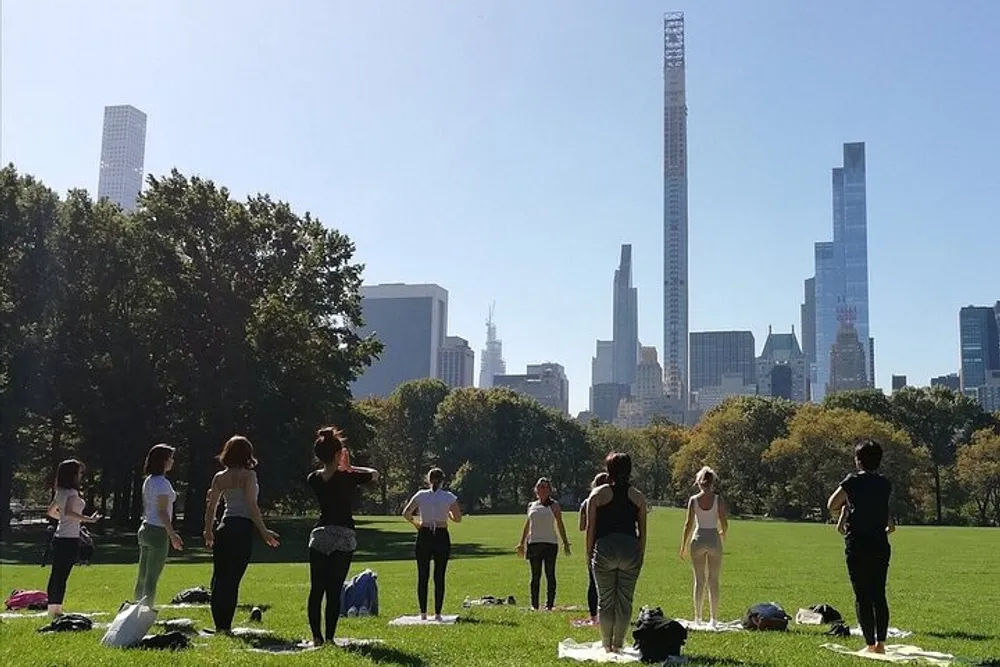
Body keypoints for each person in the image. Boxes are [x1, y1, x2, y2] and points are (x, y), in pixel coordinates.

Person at [306, 426, 379, 646]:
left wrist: (340, 464)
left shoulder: (314, 478)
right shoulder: (348, 478)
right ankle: (330, 638)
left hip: (319, 535)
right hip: (343, 536)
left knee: (316, 589)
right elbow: (374, 474)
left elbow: (325, 473)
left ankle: (316, 637)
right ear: (339, 455)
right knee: (334, 588)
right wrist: (350, 466)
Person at [203, 436, 280, 633]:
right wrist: (263, 531)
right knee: (233, 579)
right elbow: (252, 505)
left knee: (219, 578)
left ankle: (220, 624)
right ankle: (226, 626)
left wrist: (209, 531)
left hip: (224, 526)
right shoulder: (249, 476)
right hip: (241, 528)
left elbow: (211, 507)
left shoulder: (219, 477)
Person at [827, 440, 895, 655]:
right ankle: (882, 643)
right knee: (879, 594)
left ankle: (869, 644)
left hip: (857, 542)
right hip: (879, 542)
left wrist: (847, 508)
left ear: (858, 460)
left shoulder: (853, 480)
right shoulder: (884, 483)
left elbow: (832, 504)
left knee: (862, 595)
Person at [586, 453, 648, 654]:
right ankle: (619, 643)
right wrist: (641, 555)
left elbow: (591, 529)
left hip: (604, 548)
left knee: (605, 601)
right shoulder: (638, 497)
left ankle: (606, 645)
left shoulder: (597, 495)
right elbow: (643, 532)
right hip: (630, 549)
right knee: (624, 600)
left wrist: (589, 555)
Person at [402, 468, 462, 621]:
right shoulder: (448, 497)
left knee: (423, 575)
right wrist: (447, 514)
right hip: (441, 535)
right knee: (439, 576)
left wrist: (416, 524)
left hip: (424, 534)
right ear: (442, 480)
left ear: (428, 480)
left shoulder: (421, 495)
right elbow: (458, 518)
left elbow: (406, 513)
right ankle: (438, 613)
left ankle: (423, 613)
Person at [45, 459, 101, 618]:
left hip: (60, 537)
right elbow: (69, 512)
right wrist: (88, 519)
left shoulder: (61, 491)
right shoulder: (71, 493)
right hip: (68, 539)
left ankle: (53, 608)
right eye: (79, 473)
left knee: (57, 574)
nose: (80, 476)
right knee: (62, 575)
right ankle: (56, 610)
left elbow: (51, 512)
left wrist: (65, 519)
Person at [678, 466, 729, 626]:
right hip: (713, 538)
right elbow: (724, 522)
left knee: (699, 580)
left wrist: (683, 545)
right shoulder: (717, 499)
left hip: (698, 539)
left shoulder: (694, 500)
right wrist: (723, 533)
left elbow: (688, 524)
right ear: (712, 482)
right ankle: (713, 619)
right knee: (714, 580)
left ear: (699, 482)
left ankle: (698, 618)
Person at [134, 444, 183, 606]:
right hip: (157, 532)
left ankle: (136, 606)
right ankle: (146, 609)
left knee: (142, 574)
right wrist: (172, 534)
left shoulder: (149, 481)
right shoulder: (162, 484)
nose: (172, 461)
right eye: (170, 458)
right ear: (163, 461)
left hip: (145, 528)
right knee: (152, 576)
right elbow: (163, 512)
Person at [516, 477, 571, 611]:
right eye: (540, 486)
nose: (542, 489)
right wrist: (521, 543)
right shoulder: (531, 505)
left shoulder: (554, 505)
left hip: (550, 544)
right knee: (535, 576)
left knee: (550, 574)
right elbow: (527, 524)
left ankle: (549, 604)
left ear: (550, 490)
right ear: (536, 490)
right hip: (534, 543)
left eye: (545, 487)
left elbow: (560, 523)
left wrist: (565, 542)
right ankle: (534, 605)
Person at [578, 472, 609, 626]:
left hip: (595, 542)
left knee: (593, 581)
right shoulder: (613, 499)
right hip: (610, 540)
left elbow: (582, 527)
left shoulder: (588, 501)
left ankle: (594, 616)